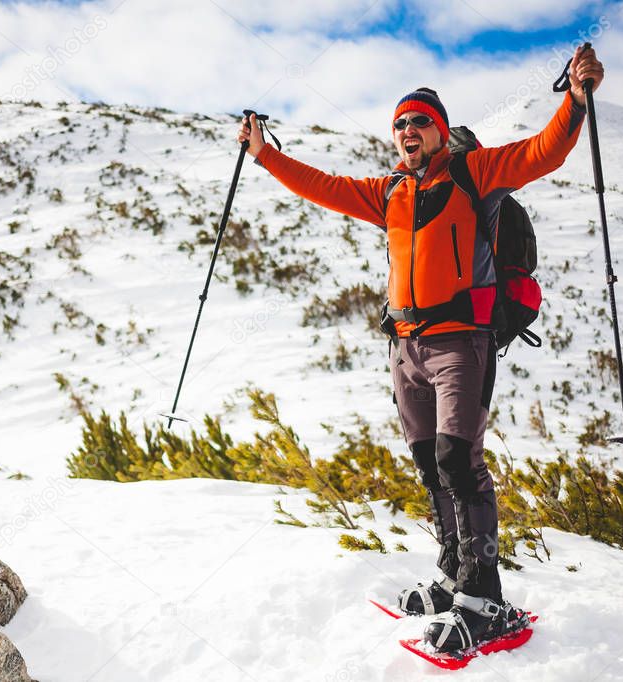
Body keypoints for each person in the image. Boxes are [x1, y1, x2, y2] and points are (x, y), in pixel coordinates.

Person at [237, 45, 604, 652]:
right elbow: (321, 185)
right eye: (400, 124)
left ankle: (484, 596)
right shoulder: (389, 193)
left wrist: (576, 100)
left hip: (462, 342)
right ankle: (452, 574)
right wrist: (264, 154)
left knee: (460, 460)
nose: (408, 131)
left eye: (419, 122)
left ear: (439, 130)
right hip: (405, 346)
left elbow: (545, 152)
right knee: (431, 465)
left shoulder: (474, 174)